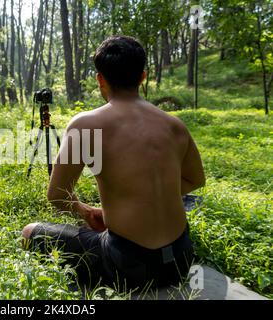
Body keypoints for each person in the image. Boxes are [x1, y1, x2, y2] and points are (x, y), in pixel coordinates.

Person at [22, 35, 206, 291]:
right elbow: (196, 180)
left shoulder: (85, 125)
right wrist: (149, 197)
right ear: (143, 77)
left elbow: (57, 196)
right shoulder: (174, 125)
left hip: (128, 265)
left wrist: (87, 212)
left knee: (30, 231)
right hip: (181, 259)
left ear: (100, 79)